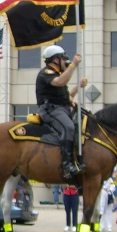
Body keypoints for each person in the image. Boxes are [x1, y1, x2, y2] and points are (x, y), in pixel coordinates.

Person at [35, 45, 88, 181]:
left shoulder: (59, 75)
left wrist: (78, 87)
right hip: (51, 109)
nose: (66, 62)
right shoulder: (46, 72)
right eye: (63, 59)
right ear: (55, 60)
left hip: (61, 108)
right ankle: (67, 166)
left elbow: (67, 96)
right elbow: (59, 82)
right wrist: (74, 64)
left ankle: (76, 159)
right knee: (68, 127)